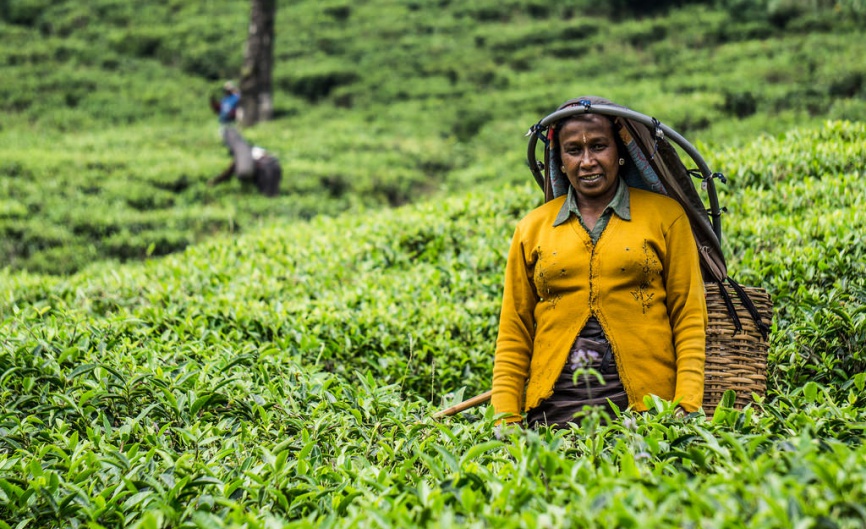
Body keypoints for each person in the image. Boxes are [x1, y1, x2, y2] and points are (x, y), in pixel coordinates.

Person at [491, 97, 708, 428]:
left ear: (619, 153)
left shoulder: (665, 216)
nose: (587, 161)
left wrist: (687, 402)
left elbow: (689, 315)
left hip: (647, 408)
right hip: (555, 409)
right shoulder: (532, 228)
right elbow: (514, 331)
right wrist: (505, 420)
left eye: (599, 146)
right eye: (574, 150)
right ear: (560, 160)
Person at [209, 144, 282, 197]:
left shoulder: (244, 157)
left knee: (268, 193)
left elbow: (227, 174)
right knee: (271, 193)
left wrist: (215, 181)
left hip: (264, 172)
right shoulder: (264, 155)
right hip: (273, 169)